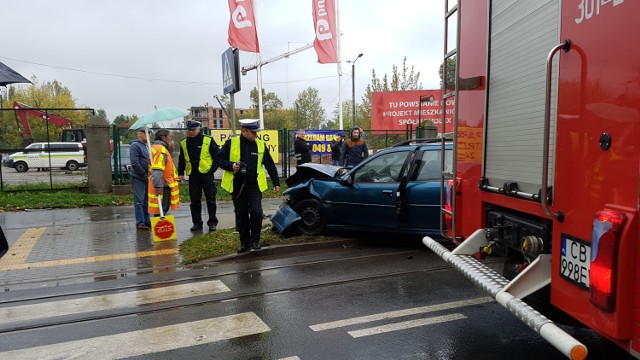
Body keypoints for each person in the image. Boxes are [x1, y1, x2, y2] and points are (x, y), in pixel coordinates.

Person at [218, 119, 280, 253]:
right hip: (237, 186)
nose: (255, 135)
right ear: (244, 131)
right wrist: (231, 166)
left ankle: (255, 241)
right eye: (253, 133)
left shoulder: (260, 145)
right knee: (241, 215)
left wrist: (276, 182)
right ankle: (244, 242)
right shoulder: (231, 143)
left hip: (254, 186)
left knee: (256, 212)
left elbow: (269, 164)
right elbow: (219, 160)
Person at [178, 120, 220, 232]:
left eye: (193, 130)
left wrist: (211, 171)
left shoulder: (208, 140)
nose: (191, 132)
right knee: (194, 200)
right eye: (189, 130)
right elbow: (181, 158)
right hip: (193, 175)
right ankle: (197, 223)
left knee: (210, 199)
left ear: (199, 129)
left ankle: (212, 222)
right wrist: (180, 172)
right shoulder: (184, 142)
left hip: (207, 175)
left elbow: (218, 157)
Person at [148, 129, 180, 216]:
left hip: (161, 183)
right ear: (163, 137)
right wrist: (158, 186)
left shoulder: (157, 148)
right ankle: (160, 228)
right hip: (163, 184)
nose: (171, 139)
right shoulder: (161, 149)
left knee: (161, 210)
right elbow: (157, 169)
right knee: (162, 210)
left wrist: (170, 149)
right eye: (169, 137)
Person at [130, 128, 152, 230]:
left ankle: (147, 220)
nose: (149, 135)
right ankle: (140, 222)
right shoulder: (135, 145)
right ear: (140, 134)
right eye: (147, 133)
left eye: (150, 133)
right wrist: (143, 174)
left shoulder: (147, 146)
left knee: (146, 201)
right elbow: (135, 163)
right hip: (139, 177)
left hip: (147, 177)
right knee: (139, 201)